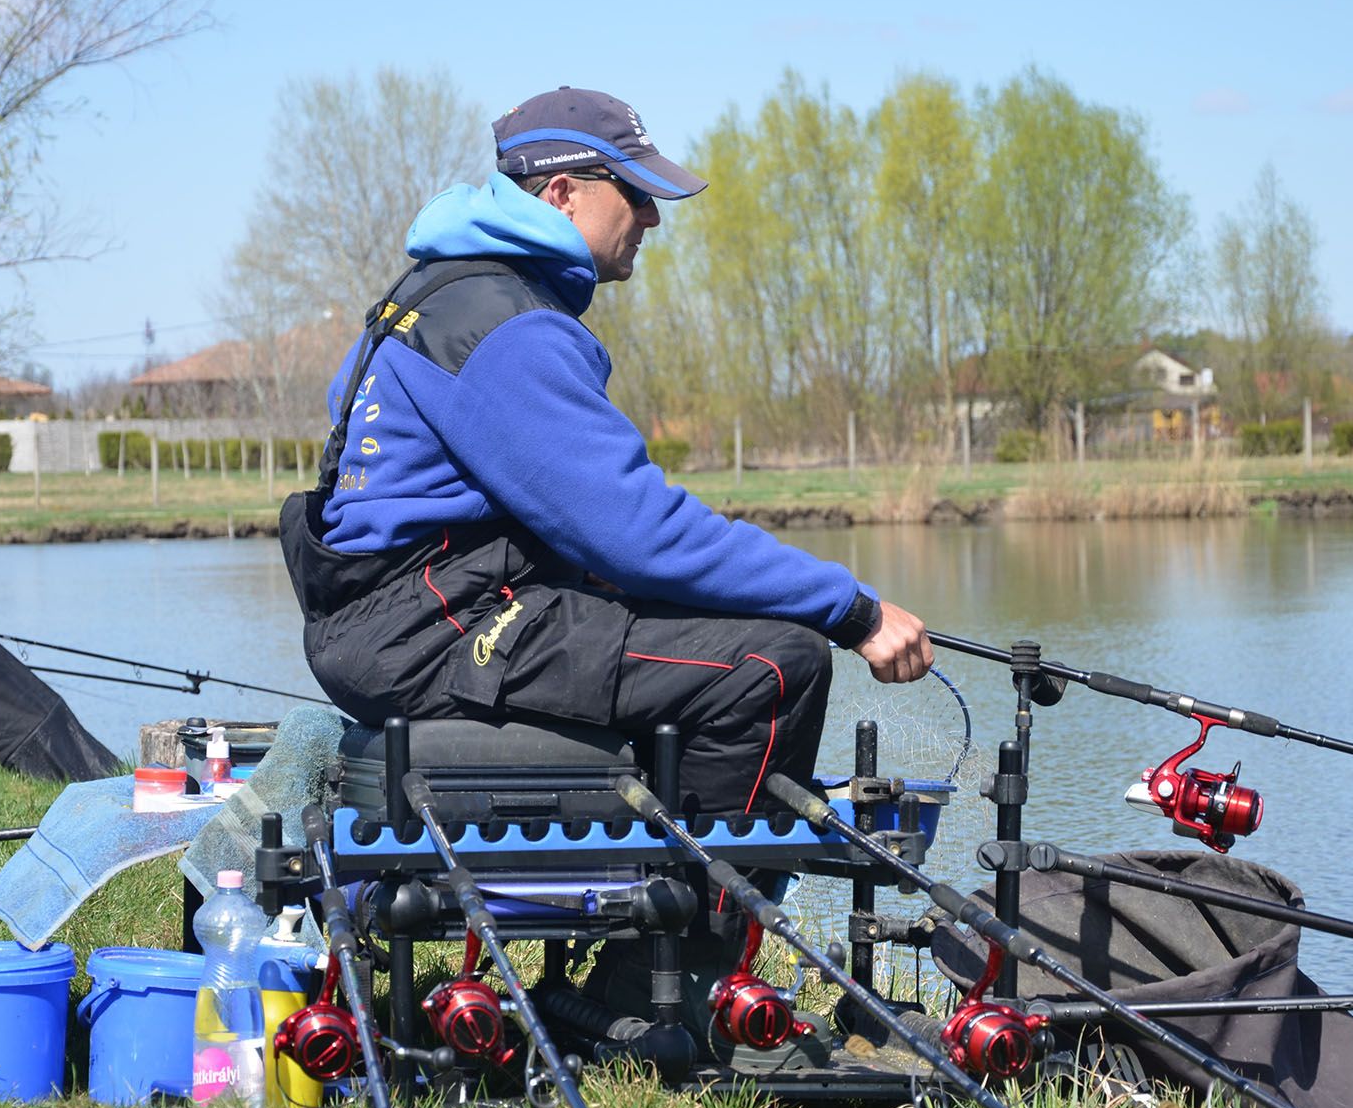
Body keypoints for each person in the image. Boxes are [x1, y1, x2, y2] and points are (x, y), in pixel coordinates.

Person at [290, 85, 933, 816]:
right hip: (435, 633)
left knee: (697, 625)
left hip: (385, 627)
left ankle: (649, 886)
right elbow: (640, 534)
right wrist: (854, 612)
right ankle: (696, 923)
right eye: (635, 191)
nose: (654, 215)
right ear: (563, 193)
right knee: (772, 665)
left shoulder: (428, 294)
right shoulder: (506, 326)